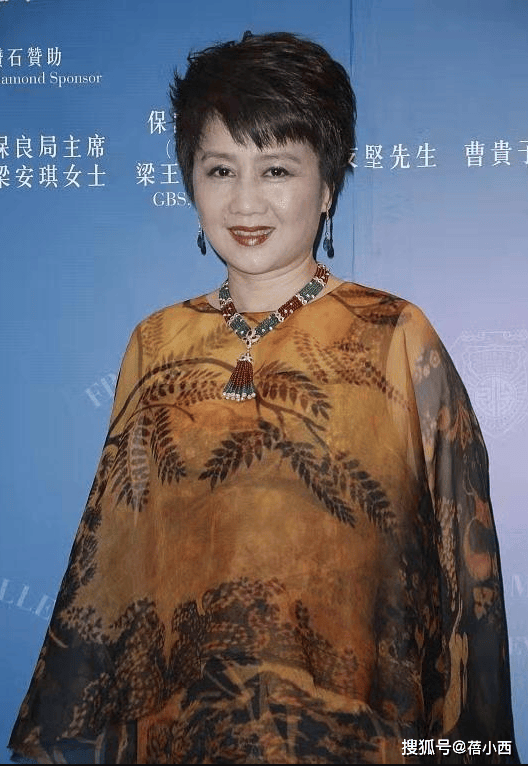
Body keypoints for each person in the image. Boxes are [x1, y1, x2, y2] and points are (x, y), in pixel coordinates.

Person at [9, 31, 519, 765]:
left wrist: (469, 748)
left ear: (328, 184)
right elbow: (116, 567)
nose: (245, 201)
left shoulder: (395, 336)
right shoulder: (157, 343)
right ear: (191, 182)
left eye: (277, 169)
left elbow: (464, 574)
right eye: (220, 169)